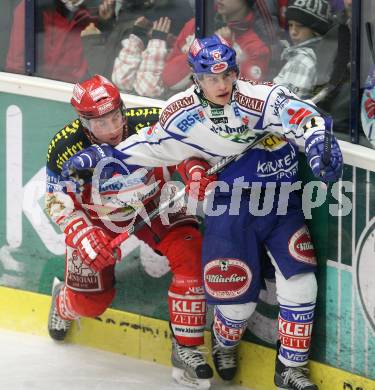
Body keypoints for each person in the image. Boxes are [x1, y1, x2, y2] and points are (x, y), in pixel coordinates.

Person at [63, 35, 343, 389]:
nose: (222, 84)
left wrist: (319, 141)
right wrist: (104, 156)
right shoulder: (182, 115)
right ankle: (225, 342)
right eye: (212, 78)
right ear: (196, 78)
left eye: (227, 75)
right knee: (236, 305)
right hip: (230, 208)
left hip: (280, 201)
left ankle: (290, 368)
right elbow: (152, 146)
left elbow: (302, 115)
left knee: (302, 285)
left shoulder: (260, 98)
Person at [45, 74, 214, 389]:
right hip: (97, 221)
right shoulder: (66, 148)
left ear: (123, 109)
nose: (112, 129)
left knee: (192, 253)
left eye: (116, 117)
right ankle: (63, 302)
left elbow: (187, 150)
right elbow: (56, 202)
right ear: (84, 124)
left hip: (153, 205)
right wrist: (81, 233)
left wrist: (192, 169)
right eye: (100, 124)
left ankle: (187, 349)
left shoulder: (148, 122)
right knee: (91, 304)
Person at [162, 0, 271, 92]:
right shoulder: (196, 25)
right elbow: (168, 79)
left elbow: (245, 98)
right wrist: (202, 50)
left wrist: (223, 50)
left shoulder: (256, 47)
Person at [273, 0, 333, 99]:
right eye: (290, 25)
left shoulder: (302, 61)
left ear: (316, 30)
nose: (293, 32)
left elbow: (288, 106)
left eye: (300, 26)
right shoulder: (325, 52)